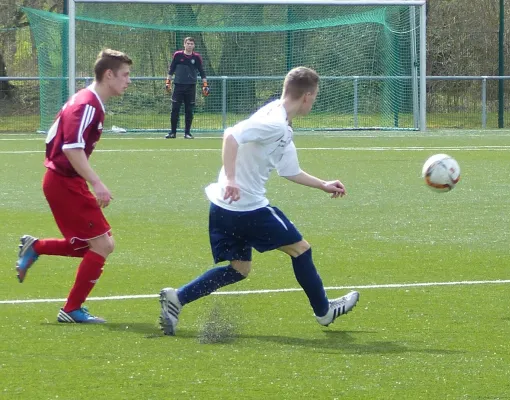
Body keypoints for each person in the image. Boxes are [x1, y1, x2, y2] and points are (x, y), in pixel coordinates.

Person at [159, 66, 359, 336]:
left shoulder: (280, 122)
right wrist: (231, 178)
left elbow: (289, 170)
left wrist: (323, 184)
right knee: (301, 249)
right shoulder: (274, 122)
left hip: (222, 206)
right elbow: (231, 135)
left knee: (239, 269)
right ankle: (324, 312)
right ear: (308, 96)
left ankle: (177, 299)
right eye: (316, 96)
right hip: (247, 208)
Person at [15, 49, 132, 324]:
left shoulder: (90, 101)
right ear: (108, 74)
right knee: (102, 246)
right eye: (125, 75)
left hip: (66, 181)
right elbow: (71, 148)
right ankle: (70, 309)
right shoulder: (87, 105)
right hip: (63, 181)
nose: (128, 80)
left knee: (93, 245)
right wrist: (97, 183)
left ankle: (37, 247)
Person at [165, 37, 209, 139]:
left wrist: (205, 85)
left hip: (191, 86)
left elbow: (202, 71)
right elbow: (171, 69)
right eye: (188, 43)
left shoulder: (197, 57)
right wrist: (168, 82)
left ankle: (187, 133)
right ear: (184, 44)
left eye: (191, 44)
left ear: (194, 46)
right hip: (178, 86)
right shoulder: (178, 55)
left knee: (189, 110)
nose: (189, 45)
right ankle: (172, 132)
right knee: (175, 109)